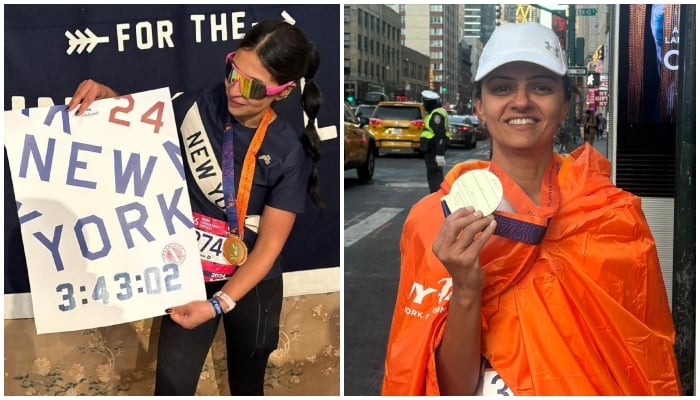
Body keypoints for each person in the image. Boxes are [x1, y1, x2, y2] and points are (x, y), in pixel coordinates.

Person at [382, 22, 680, 396]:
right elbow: (447, 388)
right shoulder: (432, 222)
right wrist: (465, 291)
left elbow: (647, 364)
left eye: (540, 86)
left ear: (565, 104)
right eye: (502, 87)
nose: (521, 101)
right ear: (479, 106)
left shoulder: (614, 216)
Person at [67, 20, 323, 395]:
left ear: (281, 92)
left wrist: (218, 305)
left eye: (252, 86)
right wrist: (106, 101)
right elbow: (132, 135)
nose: (235, 89)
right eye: (232, 70)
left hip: (250, 281)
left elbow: (268, 247)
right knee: (171, 387)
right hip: (189, 274)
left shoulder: (288, 151)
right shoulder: (193, 104)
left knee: (247, 386)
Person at [419, 90, 450, 193]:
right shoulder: (435, 112)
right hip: (432, 149)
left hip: (433, 149)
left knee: (434, 176)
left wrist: (439, 154)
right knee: (435, 174)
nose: (424, 105)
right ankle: (437, 196)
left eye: (425, 102)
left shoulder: (436, 114)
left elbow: (440, 135)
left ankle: (436, 198)